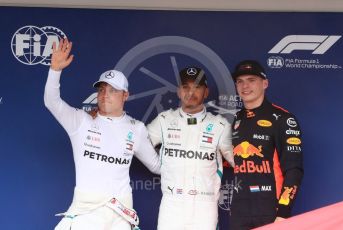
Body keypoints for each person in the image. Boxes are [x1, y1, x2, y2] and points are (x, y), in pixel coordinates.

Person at [44, 38, 160, 230]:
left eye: (113, 90)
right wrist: (55, 70)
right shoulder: (80, 121)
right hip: (87, 213)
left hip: (121, 214)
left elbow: (157, 165)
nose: (105, 94)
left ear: (125, 95)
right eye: (102, 89)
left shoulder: (136, 128)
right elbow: (51, 102)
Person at [147, 66, 234, 230]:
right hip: (172, 204)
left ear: (206, 92)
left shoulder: (220, 125)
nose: (191, 92)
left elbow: (239, 160)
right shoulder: (164, 120)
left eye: (197, 87)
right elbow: (136, 144)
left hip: (205, 205)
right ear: (179, 91)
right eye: (186, 87)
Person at [229, 60, 304, 229]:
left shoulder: (284, 119)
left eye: (251, 80)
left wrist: (283, 212)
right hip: (239, 212)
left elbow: (294, 170)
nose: (245, 86)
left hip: (271, 210)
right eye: (240, 81)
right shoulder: (235, 120)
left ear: (265, 83)